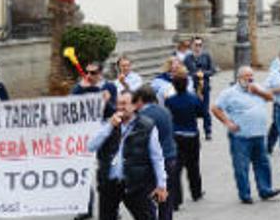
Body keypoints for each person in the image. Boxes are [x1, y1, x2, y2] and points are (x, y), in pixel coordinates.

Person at [86, 91, 167, 220]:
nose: (120, 107)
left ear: (134, 106)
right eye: (118, 104)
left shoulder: (146, 126)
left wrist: (161, 184)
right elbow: (90, 146)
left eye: (124, 104)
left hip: (135, 184)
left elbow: (157, 157)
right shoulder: (108, 124)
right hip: (109, 184)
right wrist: (109, 127)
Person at [211, 67, 280, 204]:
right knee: (241, 167)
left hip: (259, 135)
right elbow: (215, 108)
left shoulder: (257, 88)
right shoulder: (229, 93)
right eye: (247, 76)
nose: (250, 79)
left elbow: (272, 98)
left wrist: (258, 91)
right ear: (239, 78)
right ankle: (245, 194)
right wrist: (227, 122)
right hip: (241, 136)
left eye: (252, 76)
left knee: (263, 164)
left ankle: (265, 189)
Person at [132, 86, 178, 220]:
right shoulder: (165, 111)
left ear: (141, 100)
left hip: (155, 161)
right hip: (171, 156)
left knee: (148, 198)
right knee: (166, 199)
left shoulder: (143, 116)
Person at [163, 70, 204, 206]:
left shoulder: (170, 101)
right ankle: (196, 192)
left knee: (176, 168)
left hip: (176, 135)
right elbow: (201, 113)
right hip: (192, 134)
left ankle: (176, 198)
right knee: (193, 165)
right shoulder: (193, 98)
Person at [183, 38, 216, 140]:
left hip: (204, 87)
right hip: (192, 87)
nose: (198, 47)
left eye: (200, 45)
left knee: (205, 109)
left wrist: (203, 74)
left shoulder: (206, 56)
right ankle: (193, 130)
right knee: (192, 110)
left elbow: (213, 70)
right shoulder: (188, 58)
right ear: (192, 46)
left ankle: (208, 130)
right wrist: (195, 74)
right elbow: (185, 71)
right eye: (196, 45)